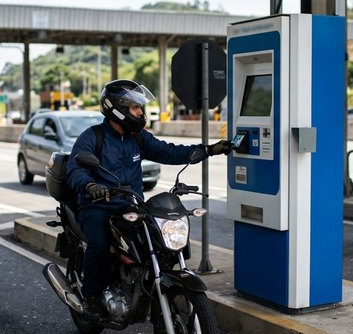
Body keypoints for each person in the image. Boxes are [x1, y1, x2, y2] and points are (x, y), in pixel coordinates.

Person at [66, 79, 231, 320]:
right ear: (117, 109)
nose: (140, 112)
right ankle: (91, 298)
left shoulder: (138, 137)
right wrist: (91, 185)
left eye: (139, 107)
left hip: (130, 205)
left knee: (161, 240)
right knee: (100, 243)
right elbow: (75, 169)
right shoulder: (92, 137)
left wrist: (207, 150)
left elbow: (169, 151)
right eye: (135, 108)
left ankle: (152, 286)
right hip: (98, 206)